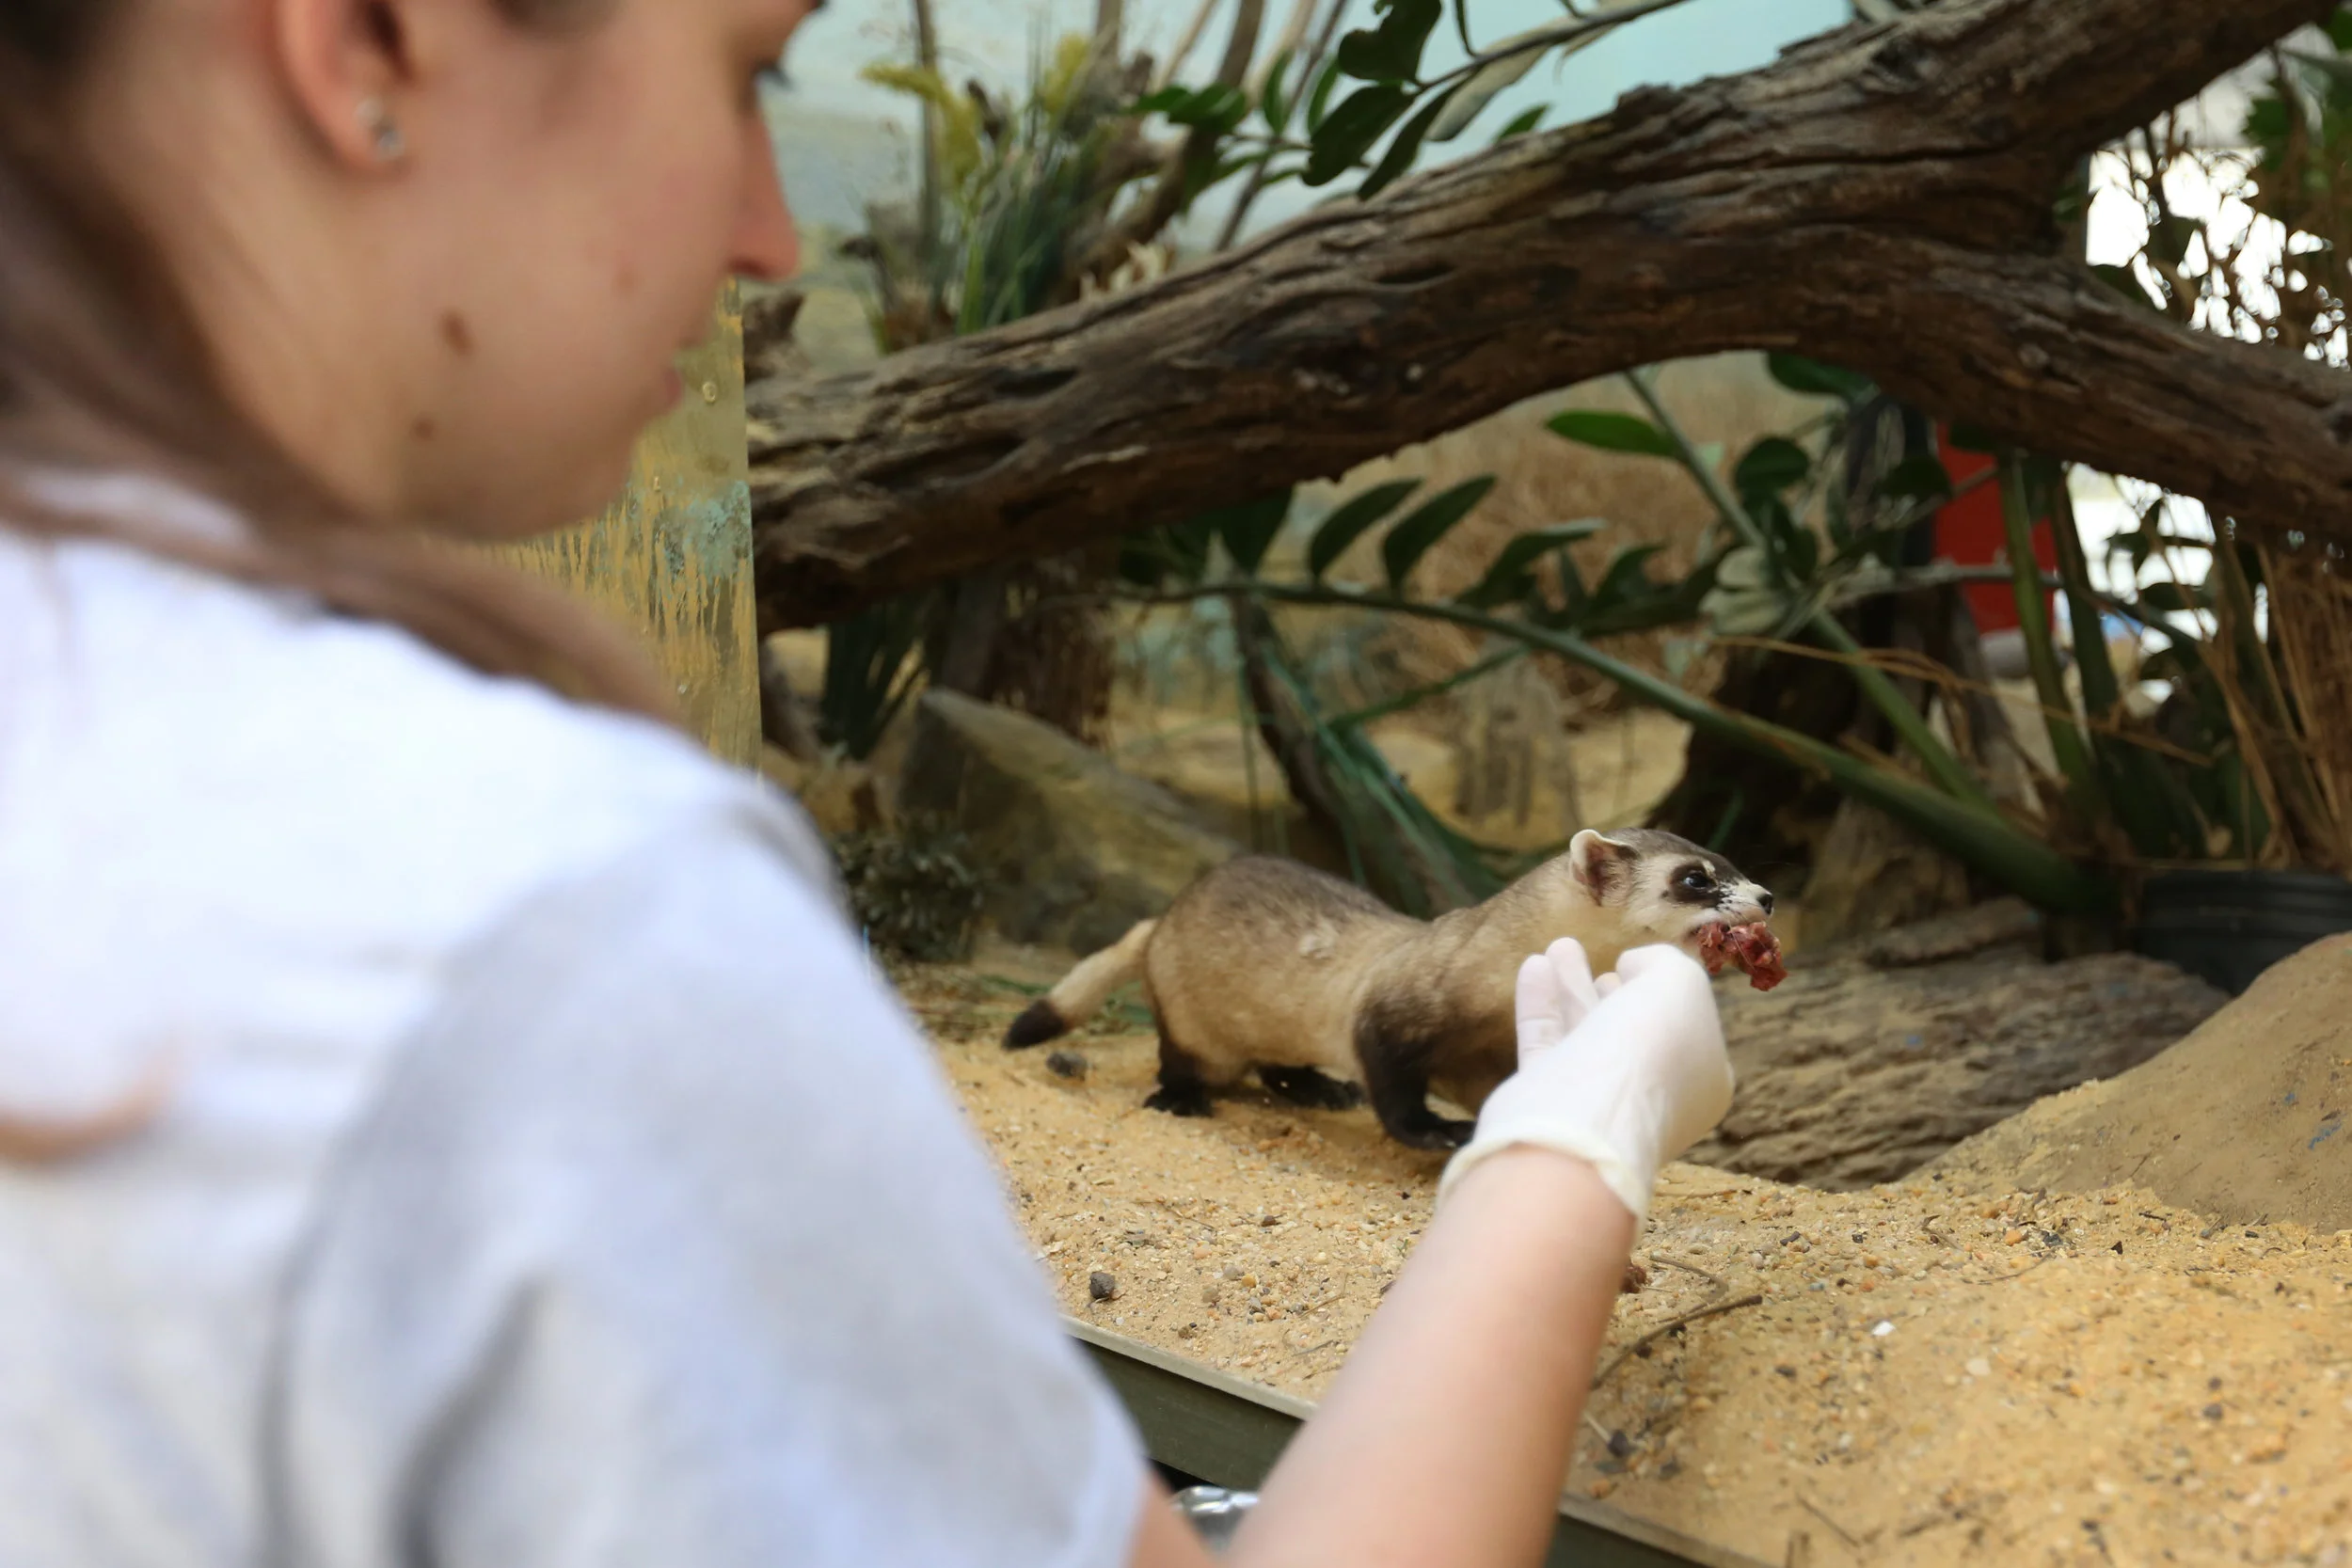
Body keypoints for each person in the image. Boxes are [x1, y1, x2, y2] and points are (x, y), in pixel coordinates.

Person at [0, 1, 1739, 1564]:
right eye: (744, 74)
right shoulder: (556, 905)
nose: (770, 234)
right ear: (368, 40)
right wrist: (1574, 1149)